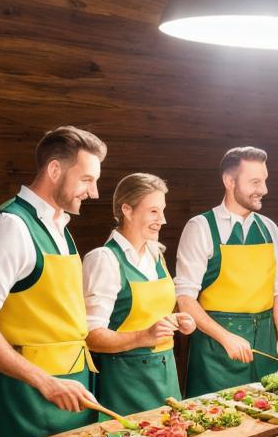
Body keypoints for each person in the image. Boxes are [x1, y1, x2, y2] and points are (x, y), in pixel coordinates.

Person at [0, 126, 106, 437]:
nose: (94, 192)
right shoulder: (10, 227)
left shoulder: (60, 227)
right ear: (55, 170)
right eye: (86, 180)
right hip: (25, 395)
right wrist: (45, 382)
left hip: (73, 387)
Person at [176, 147, 278, 397]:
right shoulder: (200, 227)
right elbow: (185, 300)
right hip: (216, 349)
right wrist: (226, 337)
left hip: (265, 343)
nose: (264, 190)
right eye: (255, 182)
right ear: (229, 181)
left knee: (270, 420)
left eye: (264, 181)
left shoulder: (270, 229)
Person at [83, 173, 195, 416]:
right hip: (124, 382)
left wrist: (177, 320)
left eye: (162, 211)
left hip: (166, 377)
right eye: (153, 211)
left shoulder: (157, 255)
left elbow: (151, 314)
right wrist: (143, 336)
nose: (162, 220)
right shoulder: (105, 260)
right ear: (127, 210)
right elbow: (91, 336)